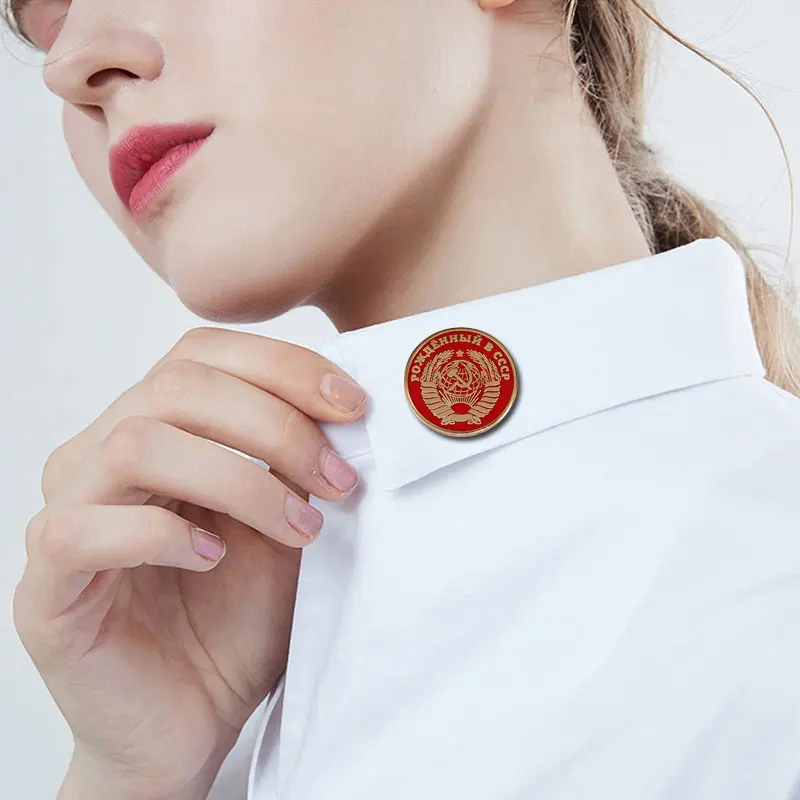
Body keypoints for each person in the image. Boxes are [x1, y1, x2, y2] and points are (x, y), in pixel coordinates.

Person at [6, 0, 800, 798]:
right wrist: (131, 776)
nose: (69, 65)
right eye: (46, 28)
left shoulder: (763, 587)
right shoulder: (211, 672)